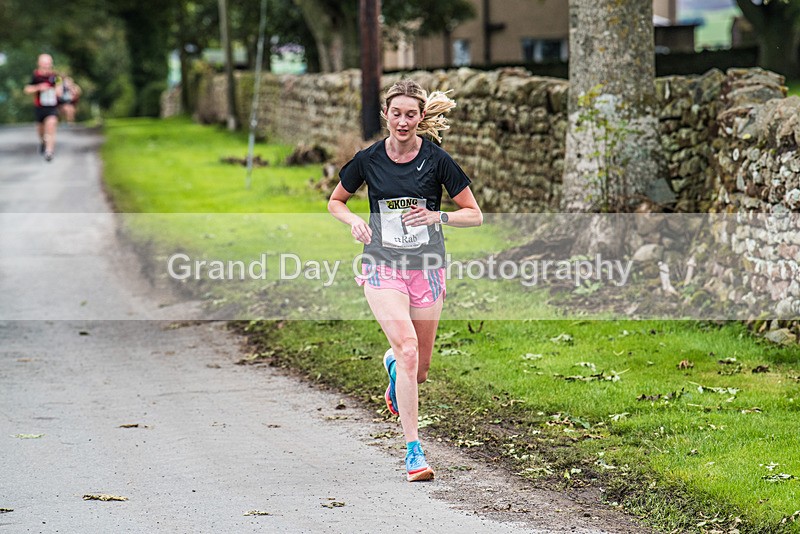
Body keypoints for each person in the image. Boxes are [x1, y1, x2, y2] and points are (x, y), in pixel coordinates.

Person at [328, 80, 483, 482]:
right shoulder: (368, 160)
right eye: (395, 113)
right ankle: (414, 451)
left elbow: (474, 213)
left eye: (410, 114)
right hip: (382, 266)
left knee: (419, 369)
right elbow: (336, 201)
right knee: (409, 348)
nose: (402, 120)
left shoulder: (436, 159)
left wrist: (439, 216)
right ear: (386, 115)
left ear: (420, 116)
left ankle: (395, 371)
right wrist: (354, 222)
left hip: (427, 267)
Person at [23, 54, 62, 161]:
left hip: (52, 107)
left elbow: (59, 89)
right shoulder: (35, 76)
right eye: (44, 63)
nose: (47, 66)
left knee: (51, 127)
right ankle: (43, 142)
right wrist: (39, 88)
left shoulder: (55, 77)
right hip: (40, 108)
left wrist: (56, 90)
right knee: (41, 132)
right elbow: (27, 89)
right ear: (39, 64)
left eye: (49, 63)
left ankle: (49, 151)